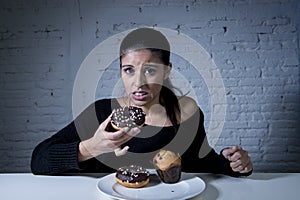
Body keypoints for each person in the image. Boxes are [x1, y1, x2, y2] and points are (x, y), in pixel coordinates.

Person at [31, 27, 253, 176]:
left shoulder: (187, 111)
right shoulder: (102, 112)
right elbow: (38, 160)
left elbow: (201, 164)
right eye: (129, 70)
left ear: (166, 71)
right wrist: (91, 147)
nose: (138, 82)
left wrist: (233, 163)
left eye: (149, 70)